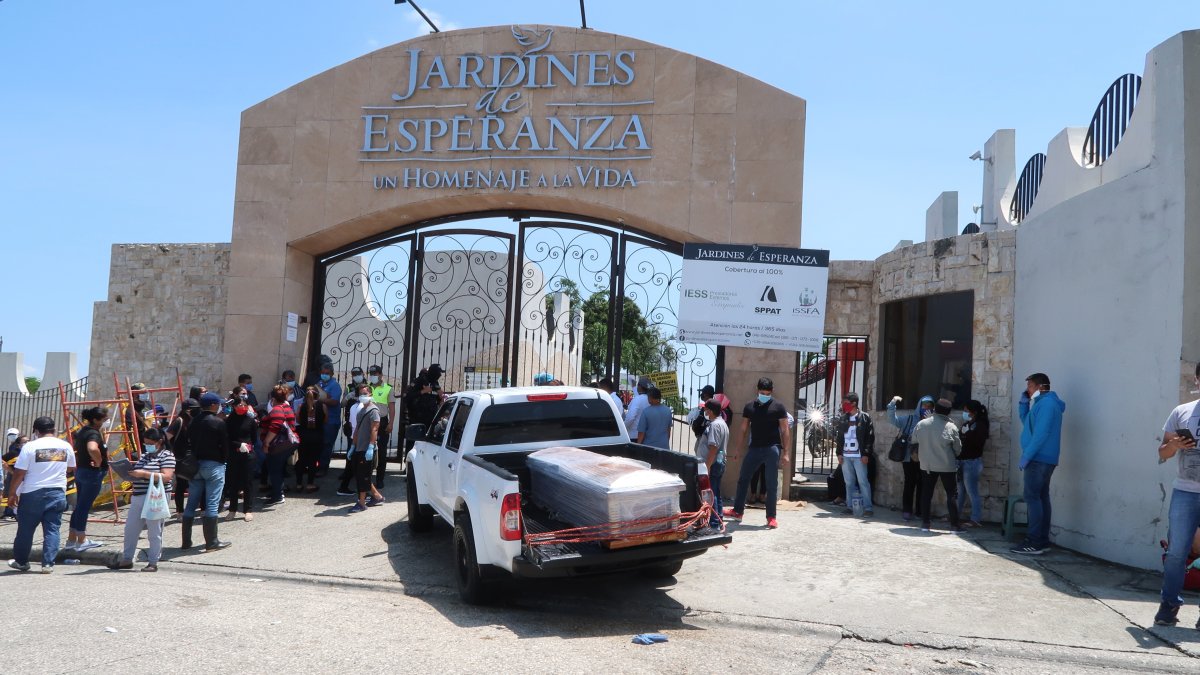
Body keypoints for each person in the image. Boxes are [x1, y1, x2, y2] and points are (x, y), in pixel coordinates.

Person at [1153, 362, 1200, 627]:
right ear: (1197, 381)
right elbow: (1162, 453)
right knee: (1176, 553)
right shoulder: (1181, 412)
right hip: (1186, 491)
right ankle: (1169, 605)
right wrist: (1174, 444)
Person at [7, 417, 75, 572]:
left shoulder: (30, 446)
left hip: (32, 492)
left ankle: (22, 562)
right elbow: (71, 468)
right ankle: (48, 564)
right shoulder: (65, 446)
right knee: (52, 528)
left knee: (25, 529)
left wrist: (12, 493)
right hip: (57, 491)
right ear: (54, 429)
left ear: (36, 431)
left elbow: (19, 473)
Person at [725, 377, 791, 529]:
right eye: (762, 392)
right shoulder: (750, 407)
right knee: (743, 479)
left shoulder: (779, 407)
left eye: (767, 393)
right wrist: (737, 449)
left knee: (771, 483)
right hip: (754, 448)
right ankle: (737, 511)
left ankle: (771, 517)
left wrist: (786, 452)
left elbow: (785, 429)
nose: (765, 395)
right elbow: (743, 428)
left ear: (771, 392)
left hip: (772, 448)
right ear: (757, 390)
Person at [1012, 372, 1065, 555]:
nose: (1028, 390)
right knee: (1041, 498)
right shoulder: (1041, 404)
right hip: (1042, 458)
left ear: (1041, 387)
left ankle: (1034, 541)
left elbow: (1041, 434)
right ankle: (1041, 540)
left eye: (1030, 386)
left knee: (1032, 498)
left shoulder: (1048, 405)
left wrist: (1027, 455)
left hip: (1038, 459)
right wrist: (1023, 404)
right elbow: (1028, 424)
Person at [109, 427, 174, 572]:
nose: (147, 445)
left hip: (155, 497)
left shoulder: (167, 455)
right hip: (138, 496)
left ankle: (153, 562)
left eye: (150, 443)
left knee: (154, 530)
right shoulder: (145, 456)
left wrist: (143, 474)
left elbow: (167, 477)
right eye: (145, 443)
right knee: (131, 529)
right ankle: (127, 559)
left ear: (160, 442)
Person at [182, 392, 232, 552]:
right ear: (212, 405)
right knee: (211, 504)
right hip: (213, 465)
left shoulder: (193, 422)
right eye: (218, 404)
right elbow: (225, 445)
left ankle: (186, 542)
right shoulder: (218, 422)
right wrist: (224, 460)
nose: (219, 406)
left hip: (195, 466)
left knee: (190, 504)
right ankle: (211, 542)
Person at [912, 398, 963, 533]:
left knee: (926, 494)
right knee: (951, 494)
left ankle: (925, 523)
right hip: (947, 465)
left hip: (927, 465)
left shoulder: (921, 424)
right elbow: (958, 449)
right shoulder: (951, 426)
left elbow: (914, 440)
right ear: (948, 413)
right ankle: (955, 526)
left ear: (934, 409)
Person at [65, 406, 110, 553]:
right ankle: (82, 540)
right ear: (96, 420)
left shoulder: (84, 431)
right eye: (104, 419)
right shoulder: (93, 434)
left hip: (82, 471)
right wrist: (98, 461)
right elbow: (92, 448)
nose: (106, 421)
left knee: (79, 506)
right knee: (84, 507)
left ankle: (71, 539)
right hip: (92, 473)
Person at [887, 395, 934, 521]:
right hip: (909, 457)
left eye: (930, 406)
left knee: (923, 484)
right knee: (909, 483)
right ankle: (907, 510)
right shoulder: (909, 419)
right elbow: (892, 420)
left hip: (925, 458)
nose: (926, 408)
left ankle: (920, 511)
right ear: (919, 406)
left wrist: (930, 422)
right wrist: (892, 404)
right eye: (924, 406)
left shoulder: (934, 422)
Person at [836, 392, 875, 517]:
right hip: (846, 455)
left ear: (854, 403)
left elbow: (870, 437)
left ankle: (868, 508)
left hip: (859, 456)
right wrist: (839, 453)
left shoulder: (865, 417)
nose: (844, 405)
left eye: (846, 403)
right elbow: (839, 437)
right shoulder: (843, 418)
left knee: (863, 481)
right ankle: (850, 506)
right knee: (849, 482)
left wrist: (866, 454)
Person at [347, 384, 385, 513]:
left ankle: (361, 503)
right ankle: (377, 497)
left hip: (367, 449)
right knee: (361, 474)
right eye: (360, 394)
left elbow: (375, 429)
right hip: (359, 447)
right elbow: (357, 429)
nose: (362, 396)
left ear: (370, 394)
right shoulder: (361, 410)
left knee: (363, 476)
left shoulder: (374, 411)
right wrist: (353, 446)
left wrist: (370, 446)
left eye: (365, 393)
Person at [260, 385, 298, 507]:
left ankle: (277, 495)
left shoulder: (277, 409)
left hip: (278, 444)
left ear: (273, 398)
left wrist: (266, 442)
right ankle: (277, 491)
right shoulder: (287, 407)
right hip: (287, 444)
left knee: (274, 470)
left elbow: (276, 426)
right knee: (278, 468)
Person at [223, 387, 257, 522]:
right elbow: (226, 438)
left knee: (247, 482)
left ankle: (248, 509)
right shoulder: (229, 421)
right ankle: (232, 509)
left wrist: (247, 446)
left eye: (244, 404)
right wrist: (238, 445)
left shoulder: (250, 421)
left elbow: (254, 438)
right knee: (233, 482)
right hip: (233, 454)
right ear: (234, 406)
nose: (242, 407)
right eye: (239, 405)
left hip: (248, 454)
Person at [696, 399, 728, 527]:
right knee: (716, 491)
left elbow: (713, 447)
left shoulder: (715, 425)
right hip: (718, 462)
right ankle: (718, 518)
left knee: (712, 493)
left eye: (706, 409)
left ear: (710, 410)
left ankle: (714, 523)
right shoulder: (722, 423)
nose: (705, 411)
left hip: (713, 463)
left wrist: (707, 466)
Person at [957, 400, 989, 527]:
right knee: (959, 491)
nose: (964, 413)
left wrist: (967, 434)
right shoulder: (967, 424)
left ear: (973, 412)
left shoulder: (981, 425)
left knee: (972, 491)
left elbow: (978, 442)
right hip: (962, 460)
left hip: (972, 462)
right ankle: (955, 514)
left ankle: (975, 518)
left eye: (966, 410)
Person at [367, 364, 396, 487]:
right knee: (367, 449)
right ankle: (367, 478)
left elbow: (392, 408)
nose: (373, 376)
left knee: (381, 452)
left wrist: (391, 423)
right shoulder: (367, 388)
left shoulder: (388, 388)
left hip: (382, 422)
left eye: (375, 374)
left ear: (380, 375)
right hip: (368, 421)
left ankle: (380, 479)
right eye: (371, 374)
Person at [294, 386, 326, 492]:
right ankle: (310, 484)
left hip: (303, 435)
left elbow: (297, 419)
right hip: (317, 436)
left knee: (301, 459)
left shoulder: (300, 406)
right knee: (313, 460)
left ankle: (298, 484)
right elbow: (326, 420)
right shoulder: (323, 406)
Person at [316, 362, 342, 475]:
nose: (324, 375)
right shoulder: (319, 383)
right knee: (318, 443)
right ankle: (316, 466)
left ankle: (323, 468)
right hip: (319, 419)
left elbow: (334, 401)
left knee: (327, 444)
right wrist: (325, 397)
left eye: (327, 373)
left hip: (331, 421)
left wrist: (321, 399)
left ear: (331, 373)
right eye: (322, 373)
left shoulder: (335, 386)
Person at [2, 429, 23, 520]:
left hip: (16, 472)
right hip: (12, 471)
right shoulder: (12, 446)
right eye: (9, 434)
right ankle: (8, 512)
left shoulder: (17, 447)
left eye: (13, 434)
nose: (11, 436)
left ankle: (11, 513)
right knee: (9, 491)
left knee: (13, 491)